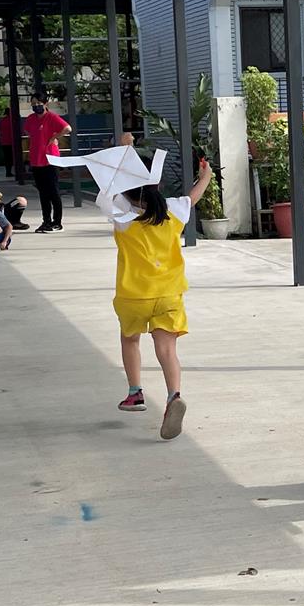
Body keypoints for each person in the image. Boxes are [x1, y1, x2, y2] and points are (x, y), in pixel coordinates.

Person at [112, 134, 213, 440]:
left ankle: (135, 392)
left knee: (130, 340)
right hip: (169, 293)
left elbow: (115, 181)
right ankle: (173, 396)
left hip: (133, 295)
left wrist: (125, 148)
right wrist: (205, 176)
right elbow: (193, 196)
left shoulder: (122, 214)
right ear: (157, 184)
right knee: (167, 348)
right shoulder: (173, 210)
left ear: (128, 190)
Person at [23, 92, 71, 233]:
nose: (36, 106)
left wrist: (55, 137)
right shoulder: (31, 119)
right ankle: (46, 221)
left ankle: (57, 222)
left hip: (50, 159)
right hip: (36, 159)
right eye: (33, 104)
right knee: (43, 193)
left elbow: (67, 128)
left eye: (39, 103)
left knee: (53, 191)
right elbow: (28, 131)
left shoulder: (51, 117)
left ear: (45, 104)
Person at [0, 108, 16, 178]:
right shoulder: (13, 120)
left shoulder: (2, 121)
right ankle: (16, 171)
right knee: (13, 157)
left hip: (4, 142)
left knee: (7, 158)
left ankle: (8, 172)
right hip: (12, 142)